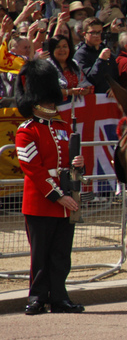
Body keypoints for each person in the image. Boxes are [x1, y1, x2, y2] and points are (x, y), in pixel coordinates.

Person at [14, 59, 86, 315]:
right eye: (47, 99)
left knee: (60, 255)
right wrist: (58, 197)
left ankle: (59, 296)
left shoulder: (62, 126)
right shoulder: (26, 130)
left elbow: (67, 163)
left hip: (65, 199)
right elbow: (33, 169)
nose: (51, 104)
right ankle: (37, 297)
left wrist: (78, 163)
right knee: (40, 256)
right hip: (42, 201)